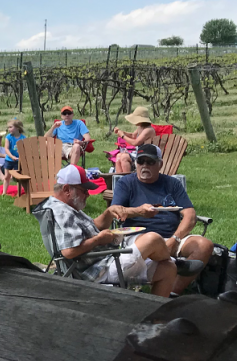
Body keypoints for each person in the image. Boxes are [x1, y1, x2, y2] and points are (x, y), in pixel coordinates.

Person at [42, 165, 200, 297]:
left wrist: (109, 213)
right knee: (152, 238)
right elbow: (69, 252)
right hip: (98, 270)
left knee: (168, 269)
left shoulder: (65, 207)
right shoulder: (63, 213)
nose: (88, 195)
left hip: (105, 261)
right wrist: (98, 240)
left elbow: (92, 226)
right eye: (84, 190)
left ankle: (154, 318)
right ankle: (176, 261)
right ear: (67, 189)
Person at [110, 143, 213, 293]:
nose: (145, 166)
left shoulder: (172, 184)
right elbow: (114, 211)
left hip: (172, 237)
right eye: (140, 161)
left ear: (160, 164)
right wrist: (138, 211)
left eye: (150, 162)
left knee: (204, 245)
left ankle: (172, 292)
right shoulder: (126, 183)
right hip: (140, 237)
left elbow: (190, 216)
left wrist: (175, 239)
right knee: (152, 239)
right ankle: (174, 264)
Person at [112, 106, 157, 174]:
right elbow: (133, 135)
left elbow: (135, 142)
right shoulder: (140, 127)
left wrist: (122, 136)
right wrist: (121, 132)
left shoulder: (148, 130)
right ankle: (119, 177)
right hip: (139, 152)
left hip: (146, 154)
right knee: (119, 156)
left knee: (124, 157)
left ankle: (127, 178)